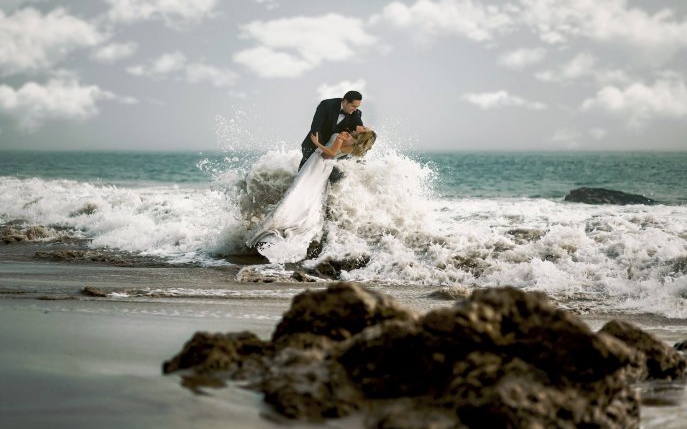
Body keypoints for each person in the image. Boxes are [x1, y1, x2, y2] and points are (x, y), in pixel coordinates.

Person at [247, 128, 377, 263]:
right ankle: (299, 218)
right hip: (325, 168)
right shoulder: (353, 145)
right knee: (311, 195)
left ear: (363, 134)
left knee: (300, 188)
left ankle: (285, 217)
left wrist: (317, 143)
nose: (362, 126)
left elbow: (331, 153)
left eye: (365, 128)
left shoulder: (342, 137)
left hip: (317, 162)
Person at [298, 90, 366, 170]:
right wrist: (322, 149)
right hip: (314, 143)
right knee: (304, 169)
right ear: (345, 101)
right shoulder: (326, 105)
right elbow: (315, 128)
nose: (355, 109)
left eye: (357, 107)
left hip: (334, 149)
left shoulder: (356, 113)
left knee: (337, 168)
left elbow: (360, 131)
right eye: (353, 106)